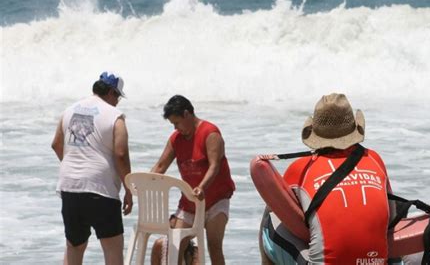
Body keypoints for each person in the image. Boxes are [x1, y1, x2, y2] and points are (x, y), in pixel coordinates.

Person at [259, 93, 395, 264]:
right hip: (373, 262)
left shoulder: (301, 168)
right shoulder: (375, 159)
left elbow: (282, 210)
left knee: (268, 220)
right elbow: (392, 217)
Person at [51, 72, 133, 265]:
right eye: (118, 97)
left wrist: (75, 166)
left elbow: (56, 144)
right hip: (100, 189)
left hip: (70, 186)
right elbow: (120, 154)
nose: (118, 102)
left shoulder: (69, 110)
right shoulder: (115, 116)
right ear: (112, 92)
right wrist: (129, 189)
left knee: (74, 246)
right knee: (112, 248)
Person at [150, 95, 235, 265]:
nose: (175, 128)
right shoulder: (176, 139)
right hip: (190, 203)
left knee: (214, 245)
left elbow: (214, 166)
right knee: (174, 247)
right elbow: (160, 167)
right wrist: (143, 184)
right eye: (173, 125)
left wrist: (202, 186)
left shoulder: (210, 133)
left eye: (177, 123)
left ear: (187, 114)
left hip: (216, 200)